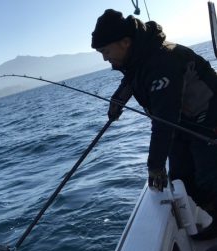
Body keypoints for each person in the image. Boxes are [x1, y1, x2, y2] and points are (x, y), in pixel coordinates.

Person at [91, 9, 217, 238]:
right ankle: (208, 217)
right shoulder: (138, 56)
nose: (105, 58)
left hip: (208, 118)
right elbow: (134, 77)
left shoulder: (163, 61)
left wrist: (155, 166)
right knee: (181, 178)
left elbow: (164, 119)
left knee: (209, 177)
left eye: (105, 51)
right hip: (184, 123)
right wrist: (119, 98)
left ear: (125, 42)